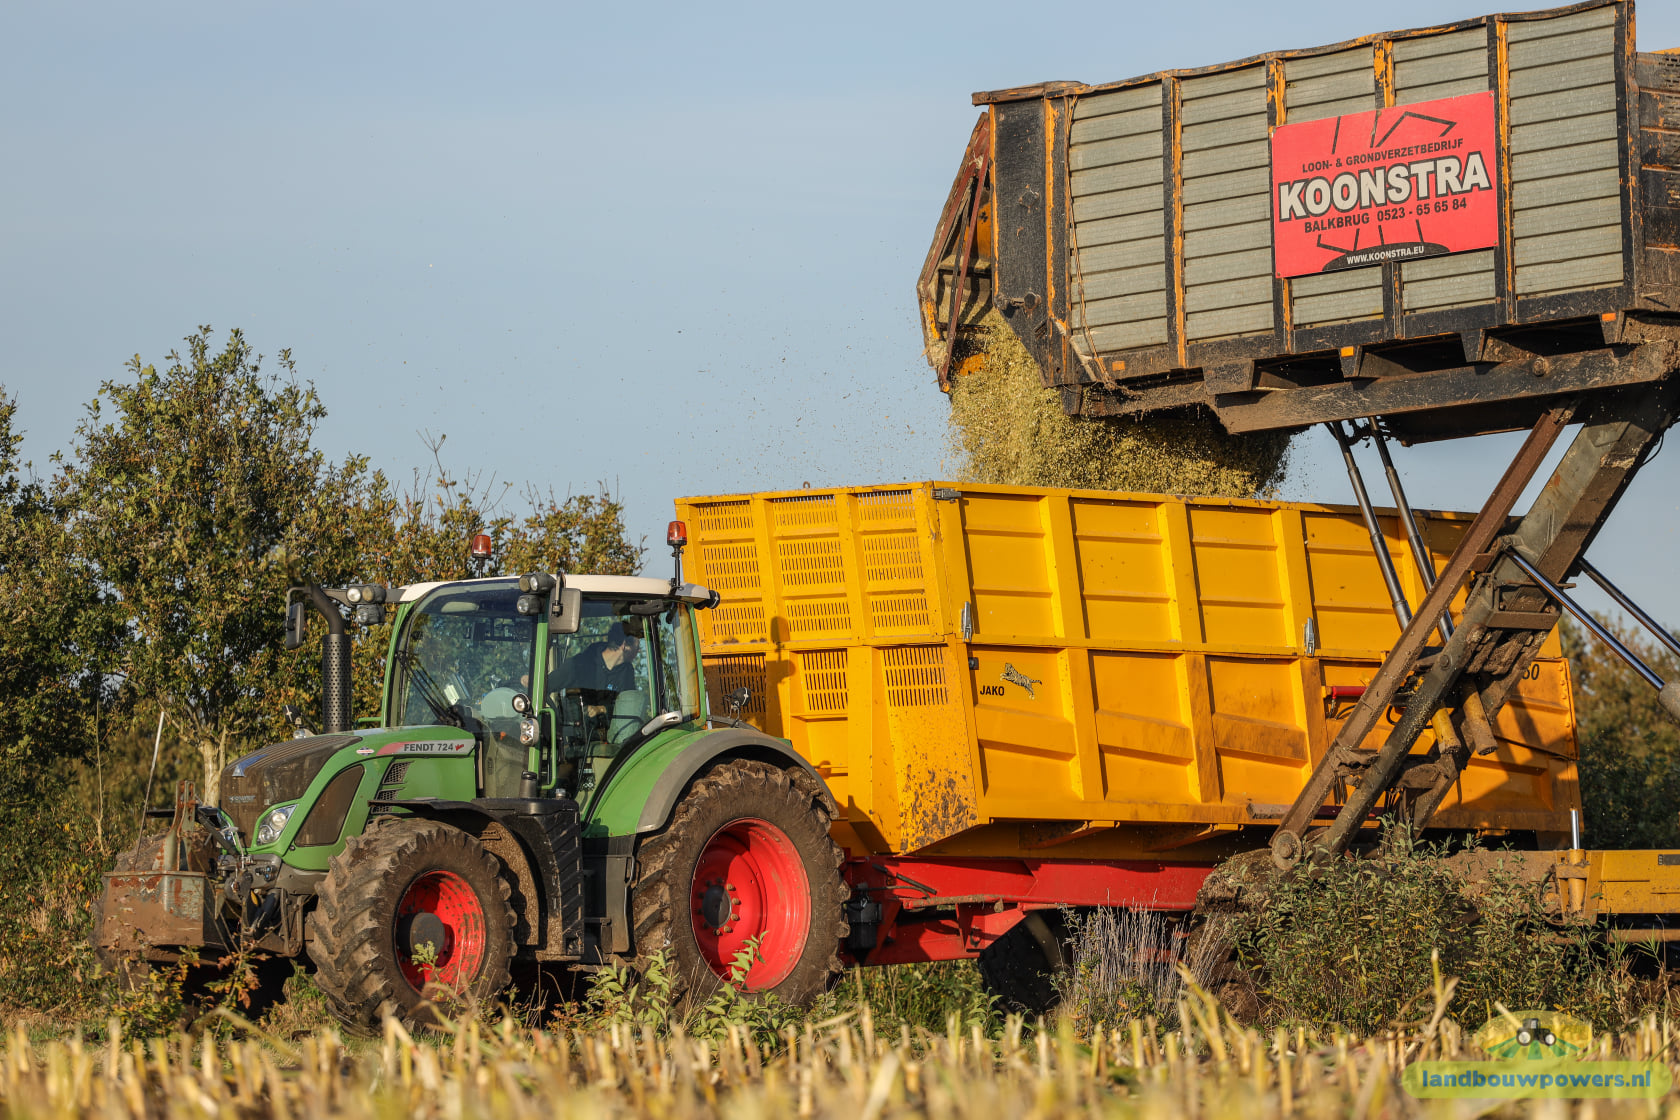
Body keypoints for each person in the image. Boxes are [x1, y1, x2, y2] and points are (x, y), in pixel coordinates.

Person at [559, 623, 640, 721]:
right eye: (637, 647)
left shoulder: (627, 672)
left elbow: (628, 706)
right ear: (624, 645)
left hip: (615, 732)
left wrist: (602, 709)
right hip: (577, 730)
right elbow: (549, 683)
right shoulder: (581, 663)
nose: (638, 651)